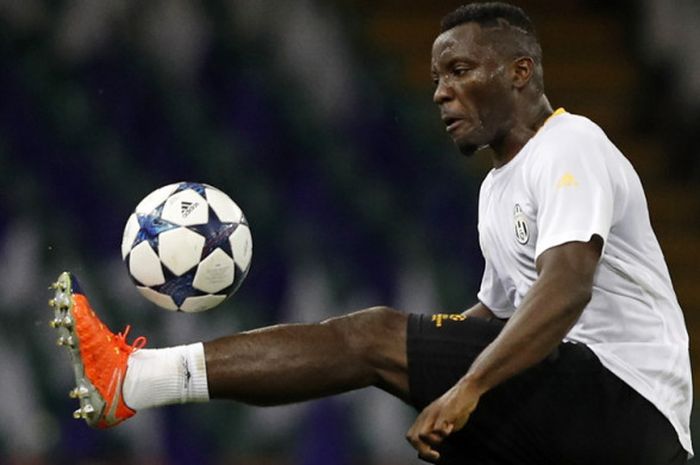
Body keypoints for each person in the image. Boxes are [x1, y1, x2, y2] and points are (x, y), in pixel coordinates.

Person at [49, 3, 692, 464]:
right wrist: (427, 369)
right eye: (438, 77)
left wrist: (466, 384)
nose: (440, 93)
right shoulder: (497, 187)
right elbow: (494, 315)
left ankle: (134, 379)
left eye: (461, 71)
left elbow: (567, 287)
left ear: (520, 72)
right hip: (591, 418)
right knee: (382, 345)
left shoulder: (569, 144)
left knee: (370, 337)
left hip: (625, 401)